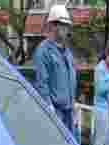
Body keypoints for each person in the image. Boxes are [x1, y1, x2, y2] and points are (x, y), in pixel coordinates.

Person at [32, 4, 77, 134]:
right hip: (55, 110)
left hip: (68, 110)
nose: (66, 28)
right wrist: (48, 106)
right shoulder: (43, 51)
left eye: (67, 25)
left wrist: (73, 103)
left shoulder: (67, 52)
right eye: (63, 24)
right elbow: (42, 82)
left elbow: (70, 79)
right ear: (52, 25)